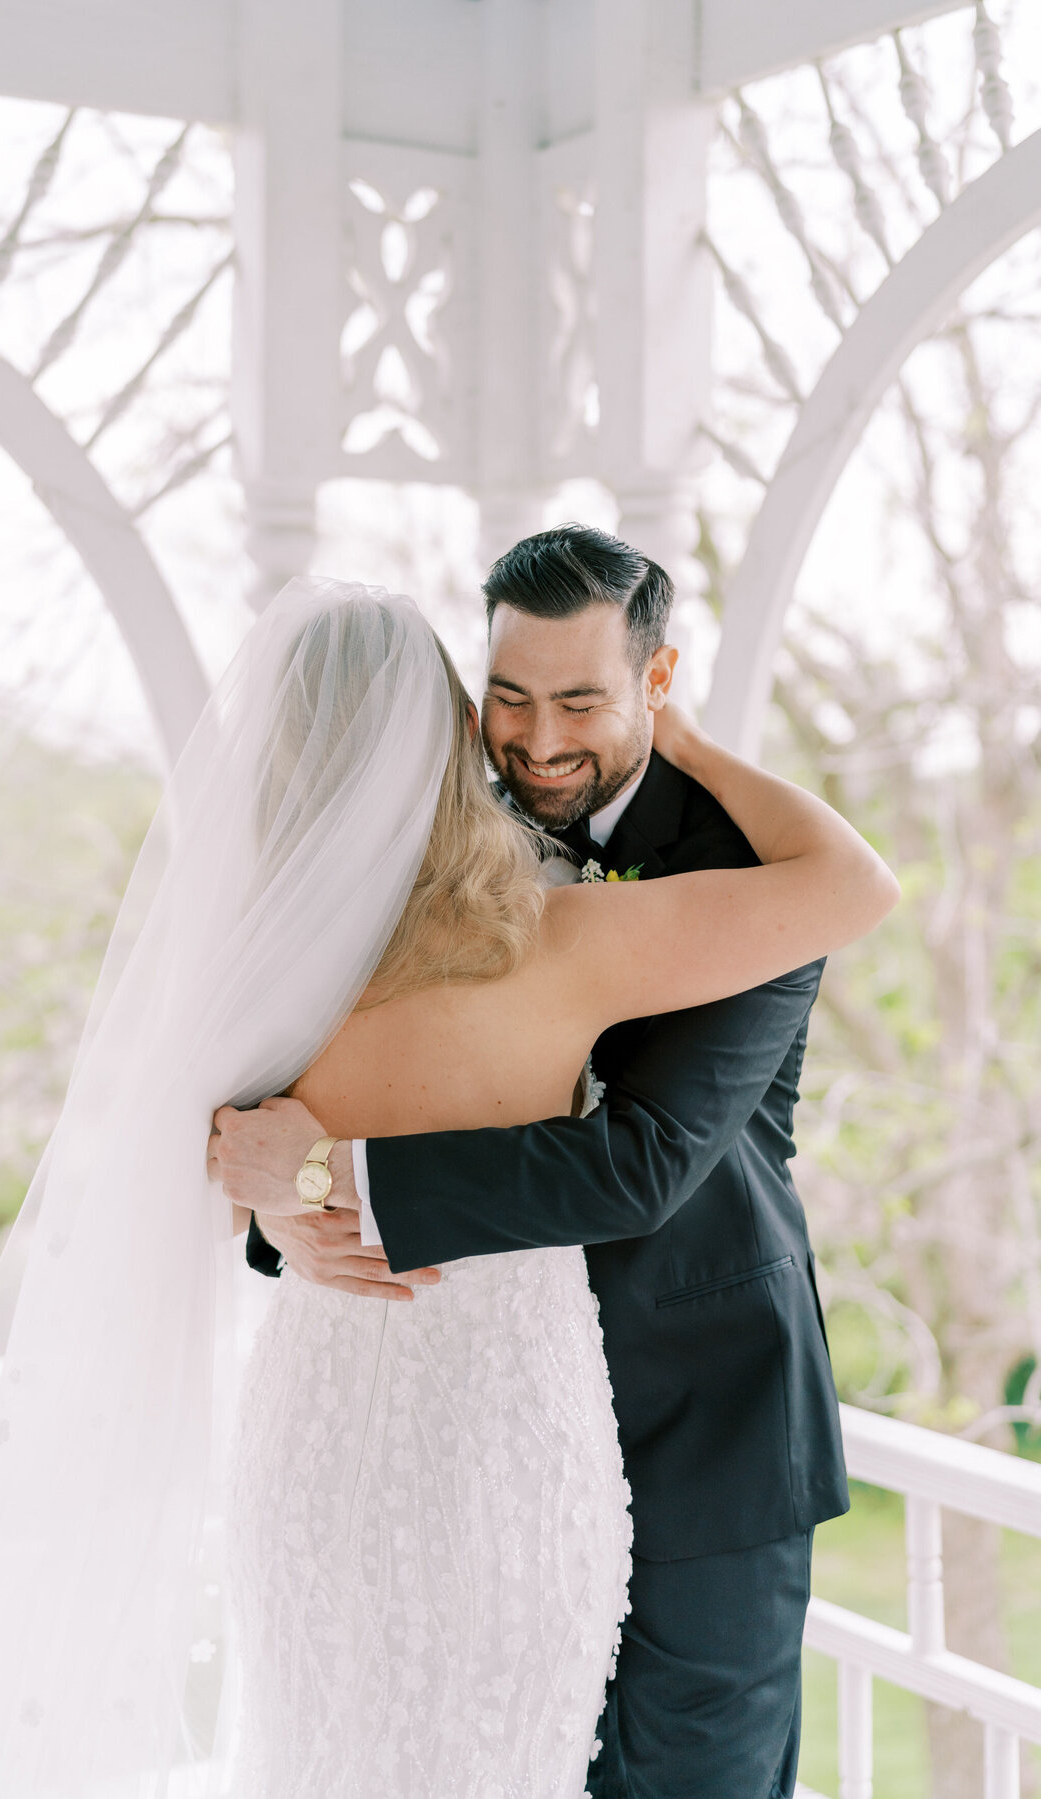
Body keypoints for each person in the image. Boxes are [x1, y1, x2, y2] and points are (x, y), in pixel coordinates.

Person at [212, 528, 881, 1799]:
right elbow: (272, 1103)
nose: (540, 739)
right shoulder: (409, 858)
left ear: (655, 679)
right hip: (470, 1427)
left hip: (702, 1424)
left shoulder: (743, 879)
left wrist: (337, 1178)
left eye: (582, 698)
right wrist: (284, 1206)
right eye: (511, 698)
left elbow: (641, 1161)